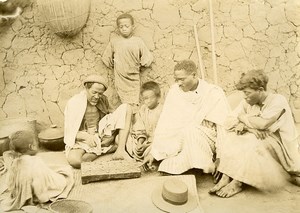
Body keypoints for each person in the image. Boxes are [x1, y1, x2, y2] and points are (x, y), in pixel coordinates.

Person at [210, 70, 300, 198]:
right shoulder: (248, 102)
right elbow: (228, 121)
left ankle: (237, 182)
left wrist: (242, 118)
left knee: (251, 142)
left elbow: (263, 125)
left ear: (260, 89)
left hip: (283, 147)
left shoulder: (278, 100)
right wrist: (249, 127)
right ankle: (226, 177)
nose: (245, 97)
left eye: (248, 93)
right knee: (232, 137)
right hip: (263, 139)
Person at [143, 60, 231, 174]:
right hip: (181, 138)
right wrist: (154, 153)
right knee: (160, 159)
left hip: (205, 138)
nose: (178, 83)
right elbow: (165, 124)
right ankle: (191, 163)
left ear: (194, 75)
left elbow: (222, 126)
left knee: (191, 131)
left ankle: (201, 164)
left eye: (182, 79)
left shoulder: (213, 93)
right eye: (176, 79)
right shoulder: (174, 92)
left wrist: (221, 157)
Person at [64, 74, 133, 169]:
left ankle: (120, 150)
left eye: (100, 93)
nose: (97, 96)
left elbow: (112, 116)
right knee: (74, 160)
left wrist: (110, 135)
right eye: (94, 92)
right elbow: (70, 132)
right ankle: (109, 149)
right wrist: (87, 137)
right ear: (86, 88)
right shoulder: (74, 103)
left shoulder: (102, 99)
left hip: (101, 135)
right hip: (84, 139)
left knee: (127, 108)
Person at [0, 130, 74, 211]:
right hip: (37, 194)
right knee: (65, 176)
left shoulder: (14, 162)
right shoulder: (36, 162)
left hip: (25, 193)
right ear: (32, 146)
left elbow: (9, 182)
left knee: (52, 170)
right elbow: (38, 184)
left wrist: (16, 192)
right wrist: (43, 199)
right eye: (36, 143)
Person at [102, 13, 153, 109]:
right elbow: (106, 58)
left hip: (133, 78)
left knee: (133, 105)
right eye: (121, 27)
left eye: (127, 26)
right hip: (120, 78)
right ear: (118, 28)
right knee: (123, 105)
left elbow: (147, 59)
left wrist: (141, 65)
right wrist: (116, 65)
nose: (124, 29)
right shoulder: (114, 41)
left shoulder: (138, 41)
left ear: (132, 27)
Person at [126, 81, 163, 161]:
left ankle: (150, 158)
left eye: (152, 98)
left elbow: (164, 134)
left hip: (157, 142)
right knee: (127, 141)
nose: (148, 101)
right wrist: (140, 143)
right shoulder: (143, 109)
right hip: (145, 141)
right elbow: (140, 128)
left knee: (156, 149)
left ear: (158, 97)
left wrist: (149, 144)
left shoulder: (162, 110)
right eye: (146, 98)